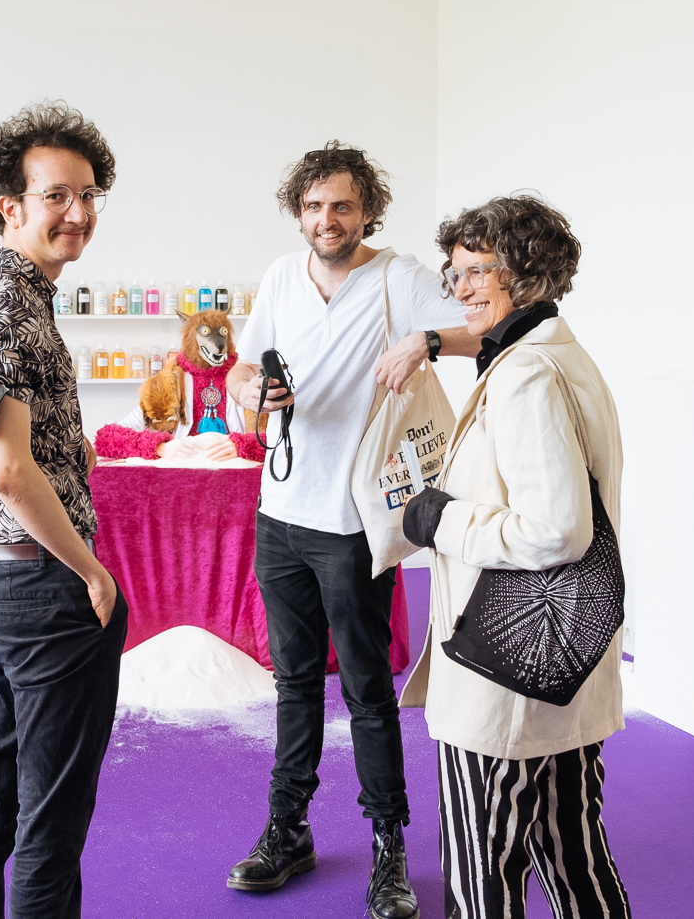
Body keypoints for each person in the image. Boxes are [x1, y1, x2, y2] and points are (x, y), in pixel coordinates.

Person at [224, 142, 474, 919]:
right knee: (294, 682)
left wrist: (426, 341)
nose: (325, 219)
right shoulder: (279, 276)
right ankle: (288, 828)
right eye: (312, 206)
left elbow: (483, 325)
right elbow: (239, 368)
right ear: (297, 212)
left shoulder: (399, 277)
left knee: (367, 689)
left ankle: (388, 846)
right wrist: (250, 388)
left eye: (341, 205)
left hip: (354, 522)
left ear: (367, 209)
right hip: (280, 514)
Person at [399, 194, 631, 919]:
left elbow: (556, 531)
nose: (460, 289)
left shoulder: (526, 374)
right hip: (558, 661)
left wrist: (441, 518)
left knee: (483, 874)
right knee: (574, 858)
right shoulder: (558, 355)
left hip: (502, 669)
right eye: (456, 272)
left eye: (477, 271)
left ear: (524, 275)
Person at [0, 101, 129, 919]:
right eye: (56, 195)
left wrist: (65, 450)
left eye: (88, 194)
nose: (77, 212)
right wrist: (91, 570)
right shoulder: (8, 304)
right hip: (42, 589)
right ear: (9, 206)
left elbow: (2, 447)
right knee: (49, 820)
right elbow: (9, 470)